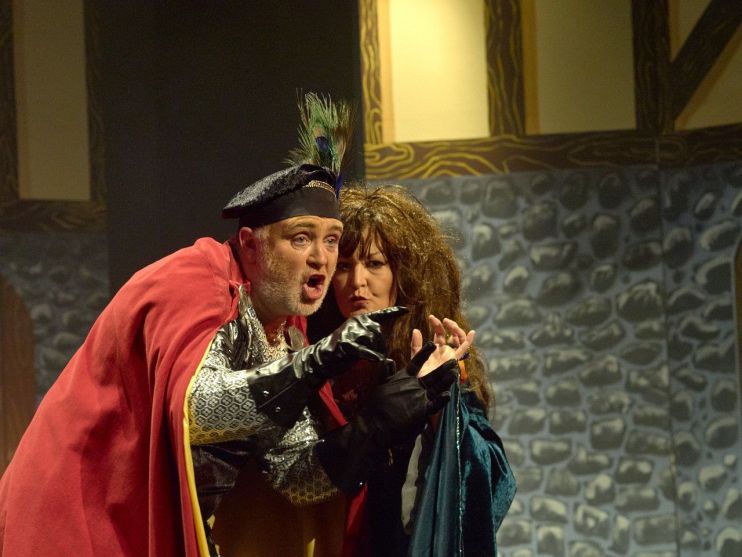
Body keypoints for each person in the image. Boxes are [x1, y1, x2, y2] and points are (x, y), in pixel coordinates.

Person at [0, 95, 459, 557]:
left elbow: (294, 474)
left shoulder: (284, 328)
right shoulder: (192, 282)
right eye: (302, 238)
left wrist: (379, 422)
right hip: (77, 520)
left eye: (331, 240)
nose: (321, 258)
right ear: (251, 245)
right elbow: (197, 409)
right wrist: (318, 362)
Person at [308, 183, 517, 556]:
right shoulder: (307, 354)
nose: (357, 282)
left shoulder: (434, 356)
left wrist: (439, 413)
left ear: (403, 272)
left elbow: (490, 478)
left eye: (374, 264)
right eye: (343, 266)